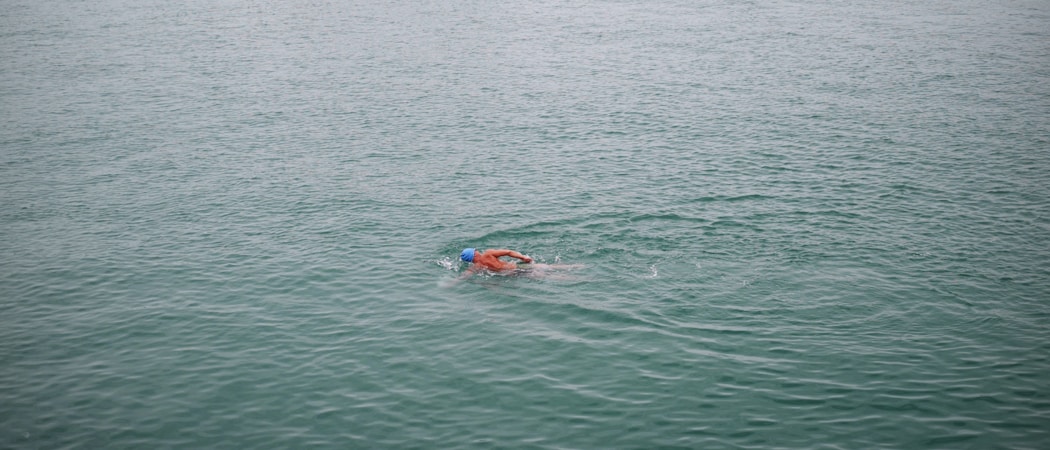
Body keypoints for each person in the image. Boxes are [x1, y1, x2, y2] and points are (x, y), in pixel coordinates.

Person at [459, 248, 533, 272]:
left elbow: (463, 276)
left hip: (509, 276)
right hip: (515, 269)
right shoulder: (488, 254)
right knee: (541, 267)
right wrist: (523, 257)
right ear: (474, 254)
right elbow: (508, 252)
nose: (477, 251)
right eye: (475, 250)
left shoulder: (475, 267)